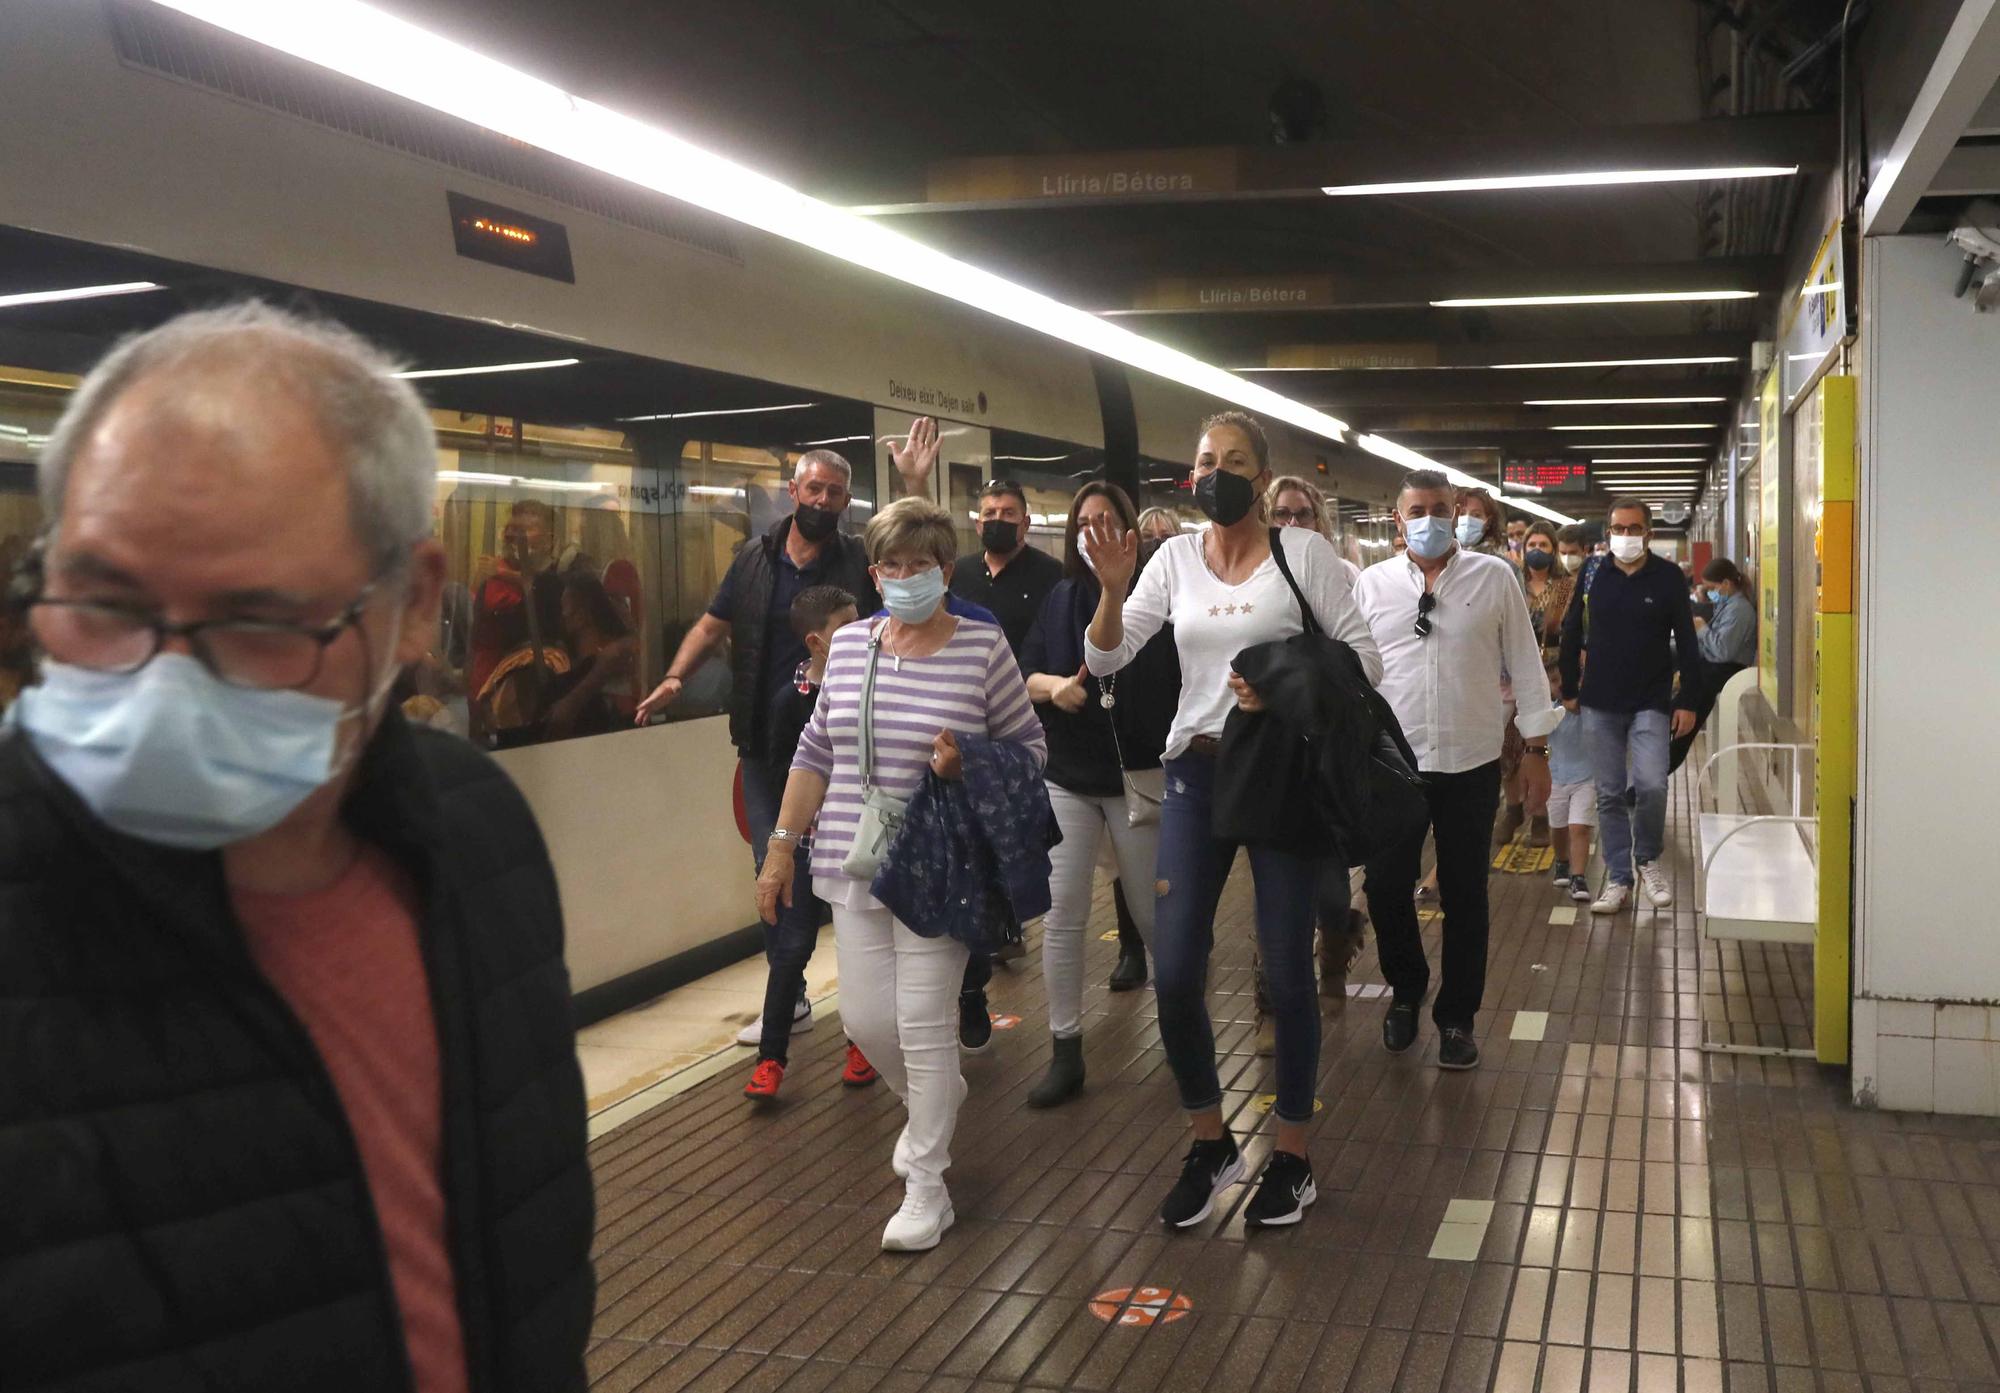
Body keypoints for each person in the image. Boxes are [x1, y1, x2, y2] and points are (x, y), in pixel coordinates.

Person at [1, 304, 592, 1390]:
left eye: (258, 621)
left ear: (412, 605)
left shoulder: (477, 834)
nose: (156, 682)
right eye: (100, 600)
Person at [1083, 410, 1383, 1231]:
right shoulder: (1175, 557)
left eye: (1235, 460)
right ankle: (1210, 1141)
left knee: (1286, 975)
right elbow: (1109, 654)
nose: (1217, 471)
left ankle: (1291, 1155)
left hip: (1282, 773)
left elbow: (1363, 659)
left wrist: (1282, 683)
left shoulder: (1304, 554)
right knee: (1174, 967)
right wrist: (1112, 592)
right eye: (1206, 458)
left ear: (1261, 473)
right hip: (1196, 770)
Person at [757, 496, 1045, 1253]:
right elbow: (815, 751)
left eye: (923, 565)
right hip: (853, 859)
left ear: (947, 572)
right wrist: (782, 845)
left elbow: (1031, 747)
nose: (906, 576)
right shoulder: (850, 646)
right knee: (867, 1020)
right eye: (892, 564)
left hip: (937, 863)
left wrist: (966, 760)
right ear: (876, 573)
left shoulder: (982, 649)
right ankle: (936, 1097)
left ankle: (926, 1183)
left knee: (921, 1022)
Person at [636, 446, 885, 1045]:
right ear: (794, 491)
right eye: (814, 489)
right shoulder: (753, 560)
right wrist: (676, 675)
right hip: (764, 747)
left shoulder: (858, 563)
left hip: (845, 747)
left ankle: (867, 1005)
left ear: (845, 503)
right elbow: (711, 623)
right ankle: (791, 995)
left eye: (834, 493)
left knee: (858, 872)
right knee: (772, 869)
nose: (823, 501)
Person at [1354, 470, 1555, 1073]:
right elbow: (1355, 672)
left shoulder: (1493, 577)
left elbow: (1525, 661)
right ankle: (1407, 990)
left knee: (1467, 894)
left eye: (1441, 508)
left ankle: (1457, 1018)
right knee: (1386, 886)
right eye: (1417, 510)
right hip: (1393, 762)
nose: (1431, 520)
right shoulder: (1371, 585)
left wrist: (1539, 753)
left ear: (1458, 512)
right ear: (1398, 519)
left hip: (1471, 759)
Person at [1019, 482, 1177, 1107]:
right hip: (1068, 777)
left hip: (1140, 776)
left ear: (1131, 533)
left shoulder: (1158, 596)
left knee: (1152, 913)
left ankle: (1179, 1027)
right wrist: (1056, 686)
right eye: (1083, 523)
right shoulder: (1061, 599)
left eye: (1108, 521)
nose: (1095, 533)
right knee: (1063, 915)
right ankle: (1065, 1048)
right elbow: (1024, 674)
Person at [740, 584, 879, 1099]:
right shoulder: (788, 702)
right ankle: (771, 1058)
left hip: (857, 841)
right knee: (792, 949)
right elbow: (786, 771)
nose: (865, 632)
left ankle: (861, 1043)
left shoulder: (872, 685)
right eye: (849, 626)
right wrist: (789, 838)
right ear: (818, 643)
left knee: (858, 948)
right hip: (806, 845)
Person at [1256, 472, 1371, 1045]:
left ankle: (1337, 939)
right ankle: (1271, 999)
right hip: (1260, 749)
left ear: (1319, 523)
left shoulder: (1335, 575)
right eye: (1281, 514)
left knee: (1327, 881)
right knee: (1271, 881)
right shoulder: (1247, 572)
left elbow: (1356, 657)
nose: (1291, 525)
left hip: (1320, 748)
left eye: (1302, 515)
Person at [1558, 498, 1702, 913]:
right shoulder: (1591, 574)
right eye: (1617, 528)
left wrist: (1688, 699)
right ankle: (1618, 878)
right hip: (1600, 701)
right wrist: (1569, 686)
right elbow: (1571, 631)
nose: (1624, 536)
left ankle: (1647, 859)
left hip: (1651, 700)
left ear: (1649, 533)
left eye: (1633, 528)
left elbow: (1687, 642)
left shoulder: (1668, 578)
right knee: (1608, 793)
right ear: (1607, 533)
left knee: (1653, 784)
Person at [468, 498, 568, 747]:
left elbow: (547, 594)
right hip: (493, 675)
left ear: (549, 536)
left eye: (525, 530)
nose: (514, 536)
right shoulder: (495, 571)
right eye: (511, 529)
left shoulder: (558, 575)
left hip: (529, 678)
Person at [1668, 557, 1757, 772]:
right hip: (1709, 666)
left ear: (1726, 584)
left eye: (1712, 588)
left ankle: (1659, 767)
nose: (1710, 593)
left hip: (1721, 671)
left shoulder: (1740, 610)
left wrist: (1701, 629)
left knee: (1683, 724)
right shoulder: (1727, 605)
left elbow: (1722, 651)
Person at [1518, 521, 1576, 847]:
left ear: (1553, 549)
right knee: (1515, 749)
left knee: (1546, 750)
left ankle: (1542, 816)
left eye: (1544, 544)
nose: (1537, 550)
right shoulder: (1513, 581)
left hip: (1554, 673)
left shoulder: (1565, 586)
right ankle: (1517, 807)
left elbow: (1568, 631)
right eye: (1532, 544)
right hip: (1515, 672)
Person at [542, 572, 635, 740]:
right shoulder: (621, 663)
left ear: (581, 616)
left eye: (565, 608)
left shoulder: (618, 663)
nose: (562, 616)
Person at [1543, 661, 1597, 901]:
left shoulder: (1589, 708)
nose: (1560, 685)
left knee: (1579, 827)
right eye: (1553, 681)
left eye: (1565, 679)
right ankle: (1562, 861)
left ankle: (1579, 876)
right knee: (1559, 826)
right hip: (1555, 777)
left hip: (1586, 777)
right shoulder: (1550, 712)